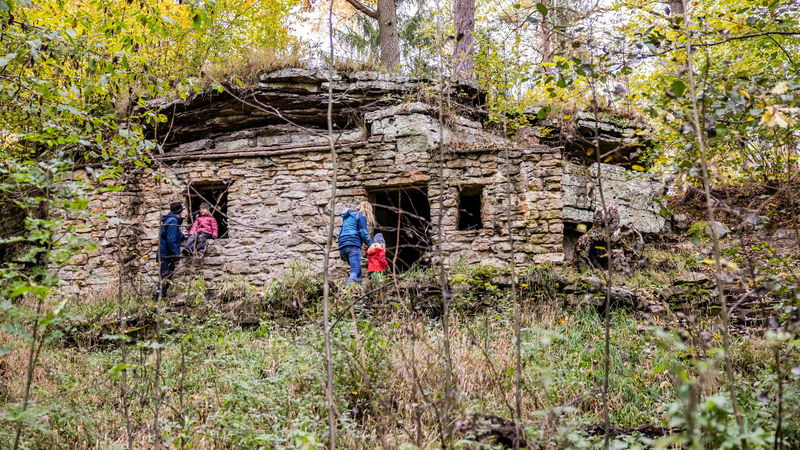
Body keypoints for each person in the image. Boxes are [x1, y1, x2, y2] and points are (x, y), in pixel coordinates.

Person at [337, 200, 373, 284]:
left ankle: (361, 294)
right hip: (352, 245)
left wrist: (341, 251)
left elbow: (340, 233)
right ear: (367, 210)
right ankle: (347, 293)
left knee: (358, 272)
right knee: (355, 271)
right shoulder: (361, 216)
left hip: (342, 246)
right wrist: (371, 244)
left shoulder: (347, 217)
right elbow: (363, 233)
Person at [155, 202, 185, 300]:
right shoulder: (173, 221)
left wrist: (183, 235)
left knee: (165, 277)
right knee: (165, 278)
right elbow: (171, 240)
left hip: (165, 253)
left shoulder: (169, 220)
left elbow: (171, 235)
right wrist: (175, 257)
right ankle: (159, 300)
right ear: (179, 211)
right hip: (167, 255)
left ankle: (159, 300)